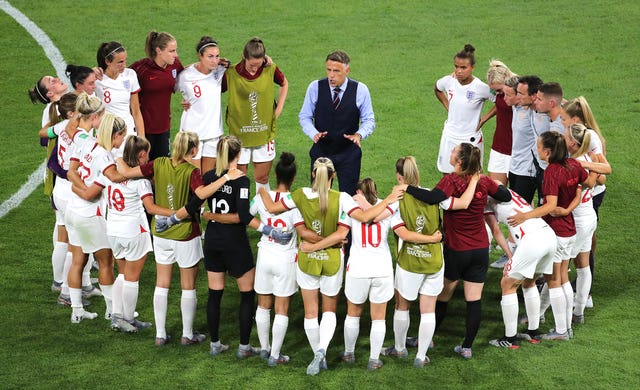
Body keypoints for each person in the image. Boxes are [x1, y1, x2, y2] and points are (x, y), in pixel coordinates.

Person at [266, 157, 400, 375]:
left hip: (308, 260)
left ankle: (319, 355)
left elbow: (272, 208)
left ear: (312, 174)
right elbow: (366, 217)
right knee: (328, 311)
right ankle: (322, 349)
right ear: (333, 176)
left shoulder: (299, 194)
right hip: (332, 260)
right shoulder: (343, 198)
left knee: (311, 313)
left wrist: (262, 184)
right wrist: (389, 199)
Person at [117, 131, 244, 345]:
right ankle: (187, 334)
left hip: (161, 232)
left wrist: (114, 157)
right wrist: (225, 177)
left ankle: (160, 334)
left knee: (162, 283)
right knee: (187, 285)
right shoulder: (193, 171)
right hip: (186, 232)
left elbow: (127, 172)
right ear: (193, 150)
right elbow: (202, 195)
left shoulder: (157, 163)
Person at [404, 144, 511, 359]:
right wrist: (496, 185)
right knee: (474, 300)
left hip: (456, 249)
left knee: (441, 297)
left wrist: (406, 188)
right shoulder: (482, 180)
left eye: (454, 151)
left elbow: (432, 198)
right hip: (480, 248)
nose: (450, 152)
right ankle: (467, 347)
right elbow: (505, 196)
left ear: (460, 162)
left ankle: (426, 338)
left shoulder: (451, 180)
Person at [383, 156, 481, 364]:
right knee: (428, 310)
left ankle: (400, 349)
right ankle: (421, 356)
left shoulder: (396, 200)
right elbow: (463, 203)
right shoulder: (436, 196)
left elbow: (403, 234)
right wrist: (474, 181)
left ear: (399, 177)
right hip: (435, 261)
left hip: (410, 261)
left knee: (402, 306)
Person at [508, 131, 589, 340]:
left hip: (558, 232)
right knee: (562, 278)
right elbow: (583, 187)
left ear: (547, 151)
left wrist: (525, 216)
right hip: (570, 228)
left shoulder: (552, 171)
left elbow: (550, 205)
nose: (536, 149)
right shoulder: (574, 165)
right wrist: (568, 209)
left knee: (555, 280)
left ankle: (562, 331)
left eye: (538, 146)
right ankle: (566, 328)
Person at [93, 135, 178, 332]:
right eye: (146, 154)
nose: (148, 158)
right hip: (133, 231)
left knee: (122, 273)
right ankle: (128, 319)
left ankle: (116, 315)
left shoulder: (110, 175)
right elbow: (150, 208)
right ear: (141, 155)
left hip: (113, 229)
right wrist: (175, 213)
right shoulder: (140, 182)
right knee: (132, 277)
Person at [66, 102, 129, 324]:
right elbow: (91, 194)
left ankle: (77, 311)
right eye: (123, 137)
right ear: (116, 134)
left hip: (72, 212)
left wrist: (76, 188)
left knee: (78, 261)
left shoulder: (88, 143)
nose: (123, 142)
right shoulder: (105, 159)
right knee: (105, 262)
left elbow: (71, 172)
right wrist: (83, 191)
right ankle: (112, 311)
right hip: (88, 215)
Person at [201, 135, 263, 359]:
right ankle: (244, 347)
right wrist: (266, 228)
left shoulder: (209, 177)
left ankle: (215, 343)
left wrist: (210, 216)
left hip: (213, 241)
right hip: (234, 243)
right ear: (238, 155)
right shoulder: (242, 181)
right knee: (247, 295)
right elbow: (242, 216)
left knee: (214, 294)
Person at [485, 187, 557, 348]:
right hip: (548, 235)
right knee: (529, 282)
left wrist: (510, 257)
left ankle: (509, 338)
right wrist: (512, 257)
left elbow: (496, 231)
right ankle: (533, 331)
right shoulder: (498, 186)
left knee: (507, 284)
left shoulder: (482, 197)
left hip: (531, 241)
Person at [299, 50, 375, 195]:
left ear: (347, 71)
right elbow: (305, 116)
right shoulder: (315, 87)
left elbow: (369, 119)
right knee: (318, 197)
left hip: (349, 155)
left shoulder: (361, 90)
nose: (331, 75)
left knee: (349, 199)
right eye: (328, 70)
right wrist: (314, 133)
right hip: (321, 152)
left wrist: (359, 135)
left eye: (336, 71)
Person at [250, 152, 299, 366]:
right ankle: (275, 356)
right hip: (286, 259)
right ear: (293, 178)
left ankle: (264, 348)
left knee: (263, 305)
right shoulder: (296, 200)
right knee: (282, 308)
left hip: (265, 255)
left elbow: (247, 214)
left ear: (276, 175)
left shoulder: (262, 196)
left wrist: (264, 226)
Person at [226, 37, 288, 193]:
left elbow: (284, 83)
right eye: (252, 65)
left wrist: (278, 109)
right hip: (239, 135)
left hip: (263, 134)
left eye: (258, 64)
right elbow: (212, 88)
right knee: (239, 178)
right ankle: (241, 214)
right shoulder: (231, 72)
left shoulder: (269, 68)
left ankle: (266, 214)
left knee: (262, 179)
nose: (255, 69)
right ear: (243, 57)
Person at [562, 96, 607, 308]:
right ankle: (580, 306)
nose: (563, 124)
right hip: (585, 208)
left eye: (565, 120)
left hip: (583, 209)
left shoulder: (590, 142)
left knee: (562, 265)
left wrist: (580, 167)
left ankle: (557, 316)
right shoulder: (585, 147)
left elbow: (603, 175)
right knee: (582, 259)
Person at [434, 44, 494, 174]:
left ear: (472, 68)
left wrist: (484, 118)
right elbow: (437, 88)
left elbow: (501, 101)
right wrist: (447, 105)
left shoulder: (481, 88)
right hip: (450, 135)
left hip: (470, 138)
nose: (459, 71)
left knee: (471, 176)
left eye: (463, 67)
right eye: (456, 67)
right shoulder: (449, 81)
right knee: (447, 175)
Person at [177, 36, 229, 174]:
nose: (214, 61)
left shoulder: (220, 70)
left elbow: (242, 67)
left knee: (208, 177)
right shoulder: (185, 75)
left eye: (217, 56)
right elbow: (167, 88)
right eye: (210, 56)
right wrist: (184, 100)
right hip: (192, 134)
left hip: (213, 133)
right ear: (200, 55)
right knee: (193, 178)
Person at [130, 31, 183, 160]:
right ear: (159, 50)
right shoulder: (141, 68)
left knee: (161, 165)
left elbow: (187, 76)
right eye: (171, 51)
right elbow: (120, 78)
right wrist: (97, 72)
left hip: (164, 127)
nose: (175, 55)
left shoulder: (174, 64)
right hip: (144, 128)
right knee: (143, 166)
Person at [95, 41, 145, 139]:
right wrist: (91, 73)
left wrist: (142, 136)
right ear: (108, 61)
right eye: (120, 62)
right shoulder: (96, 80)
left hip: (128, 132)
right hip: (106, 134)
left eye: (125, 60)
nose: (124, 65)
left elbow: (136, 111)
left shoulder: (130, 75)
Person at [480, 60, 517, 186]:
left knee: (520, 197)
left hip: (518, 151)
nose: (497, 95)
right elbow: (499, 105)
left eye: (500, 91)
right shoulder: (500, 92)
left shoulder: (522, 90)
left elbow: (545, 98)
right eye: (494, 91)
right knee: (495, 193)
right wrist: (485, 118)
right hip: (499, 147)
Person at [510, 75, 543, 204]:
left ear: (534, 95)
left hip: (530, 169)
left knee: (520, 209)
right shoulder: (520, 107)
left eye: (521, 94)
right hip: (515, 165)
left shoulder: (543, 115)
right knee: (515, 207)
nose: (517, 96)